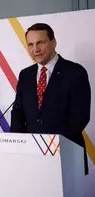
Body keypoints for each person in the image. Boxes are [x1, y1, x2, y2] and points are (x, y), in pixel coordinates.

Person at [10, 23, 91, 174]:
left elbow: (80, 117)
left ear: (53, 42)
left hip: (66, 155)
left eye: (40, 42)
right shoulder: (25, 74)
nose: (35, 49)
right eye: (31, 45)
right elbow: (18, 112)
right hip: (32, 157)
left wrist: (51, 146)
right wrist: (17, 146)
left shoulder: (75, 72)